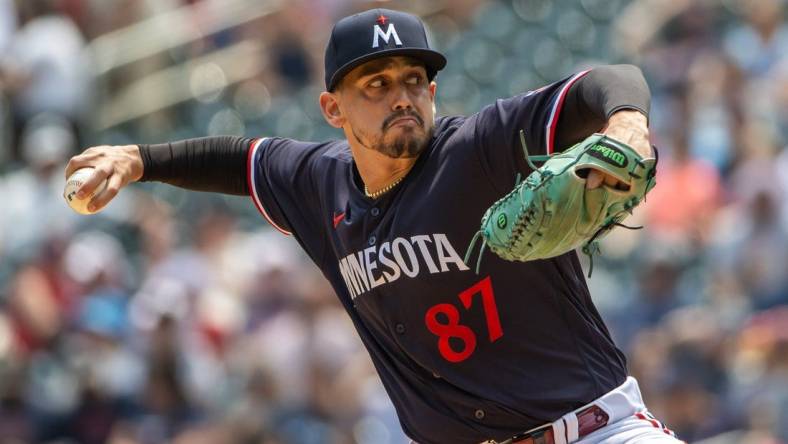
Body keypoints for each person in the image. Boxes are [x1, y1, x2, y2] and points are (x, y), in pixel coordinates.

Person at [66, 8, 683, 444]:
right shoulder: (317, 183)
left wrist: (627, 120)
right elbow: (238, 159)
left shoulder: (478, 148)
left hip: (594, 432)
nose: (402, 97)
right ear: (333, 107)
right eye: (378, 83)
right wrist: (139, 160)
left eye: (415, 80)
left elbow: (609, 81)